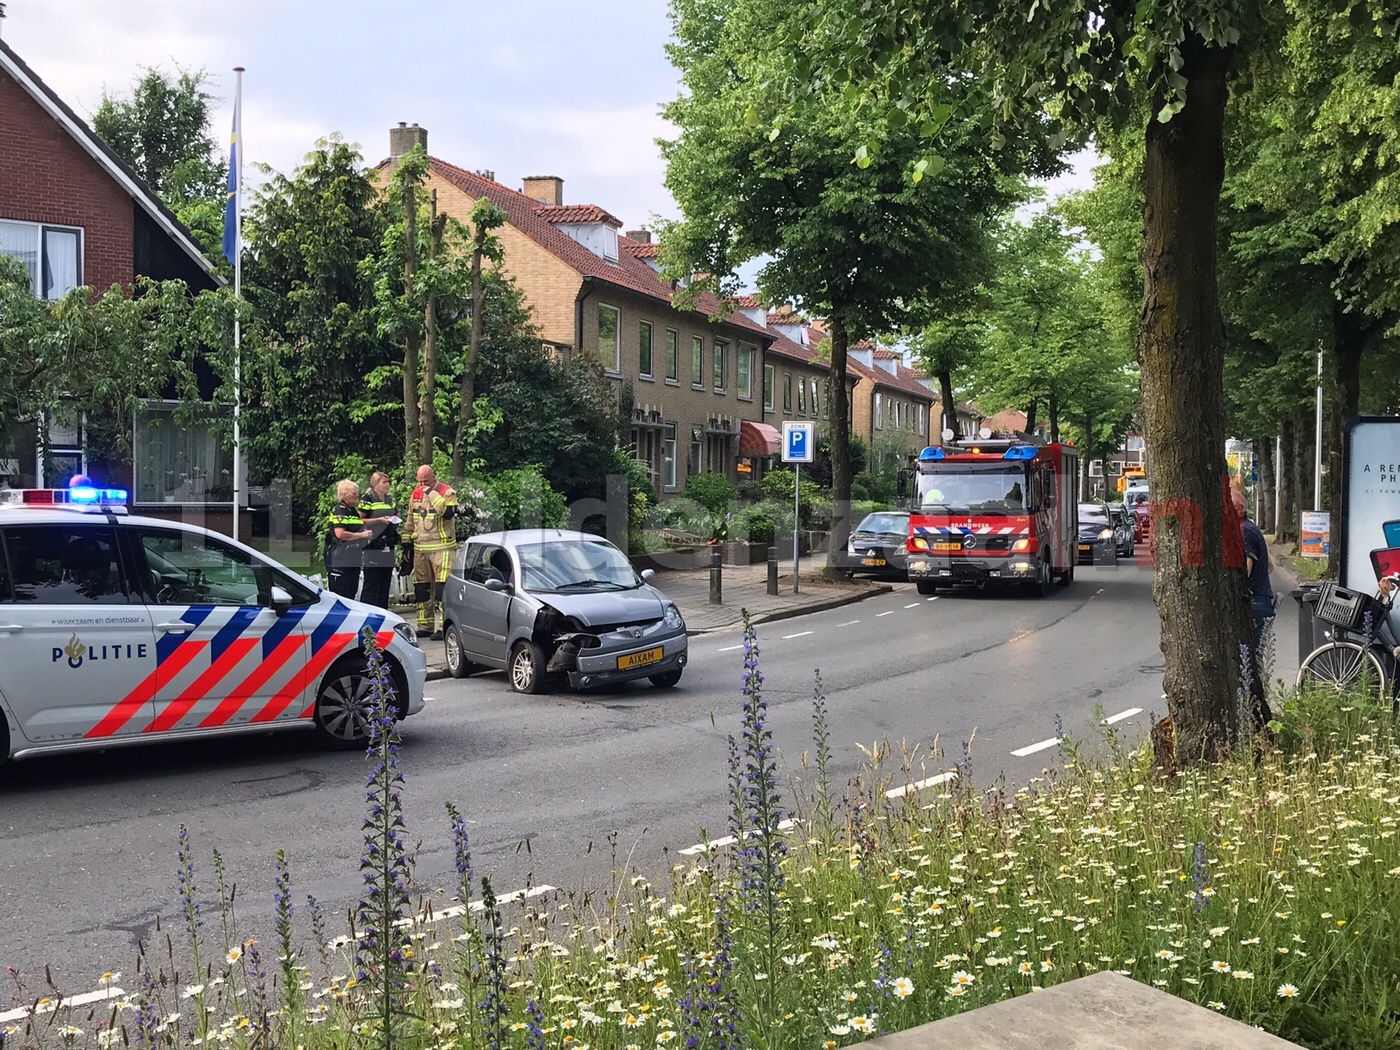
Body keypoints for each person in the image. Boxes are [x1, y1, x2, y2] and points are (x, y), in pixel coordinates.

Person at [410, 465, 457, 639]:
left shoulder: (447, 492)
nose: (422, 484)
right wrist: (407, 542)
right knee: (421, 589)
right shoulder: (415, 494)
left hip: (442, 549)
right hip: (421, 548)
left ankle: (444, 627)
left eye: (426, 480)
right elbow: (411, 518)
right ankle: (425, 625)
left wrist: (430, 492)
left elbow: (447, 513)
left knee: (442, 589)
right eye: (420, 481)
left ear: (434, 477)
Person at [1232, 486, 1275, 661]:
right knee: (1253, 660)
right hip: (1261, 601)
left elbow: (1245, 570)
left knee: (1248, 662)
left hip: (1253, 604)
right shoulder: (1250, 527)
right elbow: (1270, 566)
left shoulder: (1243, 532)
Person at [358, 471, 399, 609]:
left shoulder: (389, 499)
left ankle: (383, 610)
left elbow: (395, 512)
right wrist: (379, 520)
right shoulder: (367, 499)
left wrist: (396, 517)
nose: (387, 485)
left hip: (388, 543)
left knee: (384, 582)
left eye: (388, 482)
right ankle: (368, 611)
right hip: (374, 544)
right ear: (375, 484)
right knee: (372, 583)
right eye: (384, 482)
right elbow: (360, 520)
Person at [325, 479, 370, 600]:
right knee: (341, 594)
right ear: (345, 494)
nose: (357, 496)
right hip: (340, 559)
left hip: (352, 557)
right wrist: (361, 536)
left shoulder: (352, 511)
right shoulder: (341, 510)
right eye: (354, 493)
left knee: (351, 591)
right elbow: (340, 534)